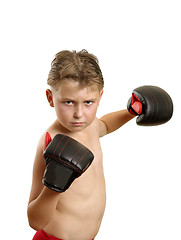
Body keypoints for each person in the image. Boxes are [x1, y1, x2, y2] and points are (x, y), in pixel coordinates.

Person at [27, 50, 173, 240]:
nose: (79, 113)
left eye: (88, 102)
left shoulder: (90, 126)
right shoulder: (49, 142)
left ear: (100, 96)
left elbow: (104, 124)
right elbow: (34, 221)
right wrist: (54, 186)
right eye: (68, 102)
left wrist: (131, 111)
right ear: (50, 98)